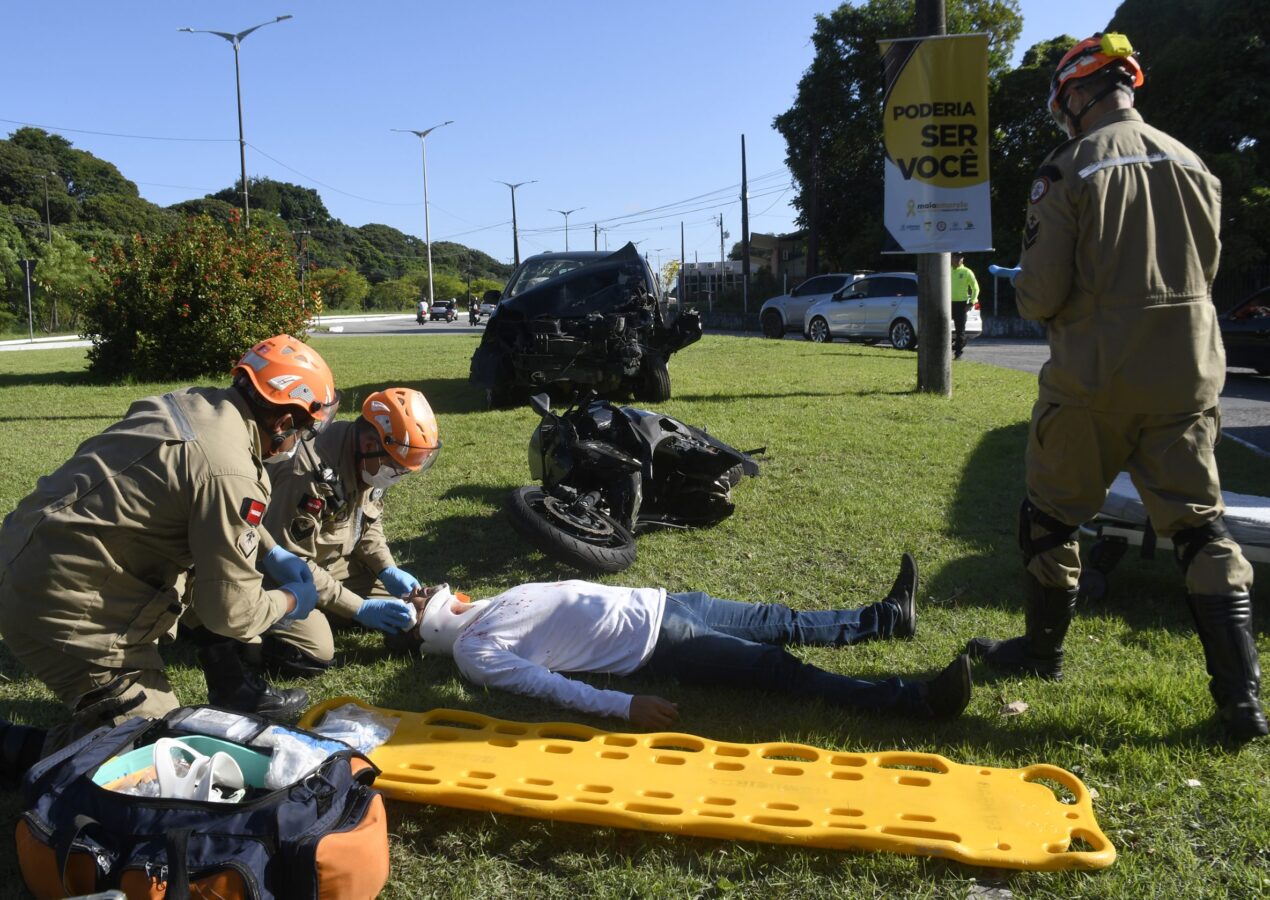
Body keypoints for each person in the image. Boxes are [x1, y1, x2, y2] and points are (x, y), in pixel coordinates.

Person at [964, 33, 1265, 741]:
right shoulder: (1197, 165)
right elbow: (1207, 268)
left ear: (1077, 94)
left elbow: (1039, 296)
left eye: (1062, 99)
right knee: (1202, 529)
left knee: (1049, 518)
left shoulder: (1068, 170)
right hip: (1189, 375)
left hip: (1095, 379)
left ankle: (1043, 652)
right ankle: (1241, 700)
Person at [0, 334, 339, 768]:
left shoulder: (191, 404)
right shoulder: (229, 468)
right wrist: (292, 600)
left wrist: (270, 550)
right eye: (305, 428)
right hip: (63, 610)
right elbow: (231, 613)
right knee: (154, 751)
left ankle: (231, 683)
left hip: (31, 557)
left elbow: (204, 502)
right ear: (282, 421)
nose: (301, 440)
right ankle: (16, 747)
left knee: (210, 562)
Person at [395, 555, 973, 729]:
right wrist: (626, 706)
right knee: (779, 668)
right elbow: (548, 687)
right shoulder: (474, 651)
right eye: (419, 601)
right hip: (659, 644)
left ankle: (887, 618)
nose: (427, 592)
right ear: (429, 631)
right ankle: (911, 701)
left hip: (668, 604)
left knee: (782, 619)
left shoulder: (484, 608)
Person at [258, 387, 441, 677]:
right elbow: (289, 561)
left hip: (330, 564)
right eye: (398, 469)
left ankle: (332, 610)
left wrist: (386, 569)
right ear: (370, 445)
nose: (398, 475)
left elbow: (366, 524)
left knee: (403, 607)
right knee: (314, 651)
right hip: (279, 573)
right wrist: (357, 608)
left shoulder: (368, 460)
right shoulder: (306, 474)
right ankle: (240, 636)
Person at [950, 252, 979, 359]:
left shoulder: (967, 272)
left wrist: (971, 302)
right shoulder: (946, 270)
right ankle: (946, 348)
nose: (958, 259)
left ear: (963, 259)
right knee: (941, 328)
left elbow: (975, 288)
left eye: (960, 257)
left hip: (961, 304)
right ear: (951, 258)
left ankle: (958, 353)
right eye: (955, 256)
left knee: (960, 330)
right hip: (947, 303)